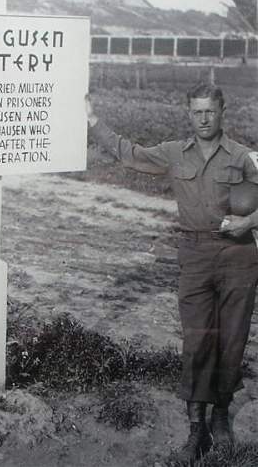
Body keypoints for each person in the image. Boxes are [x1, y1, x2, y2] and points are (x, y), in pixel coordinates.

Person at [86, 83, 258, 463]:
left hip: (239, 257)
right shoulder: (173, 154)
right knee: (197, 341)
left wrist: (249, 221)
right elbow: (129, 155)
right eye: (196, 111)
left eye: (209, 111)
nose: (202, 118)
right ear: (188, 113)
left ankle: (222, 417)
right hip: (194, 255)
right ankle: (196, 428)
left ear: (222, 111)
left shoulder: (245, 156)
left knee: (231, 340)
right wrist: (93, 121)